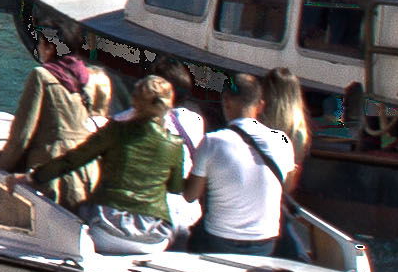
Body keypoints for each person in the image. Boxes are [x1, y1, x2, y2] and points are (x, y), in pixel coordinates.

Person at [20, 69, 190, 255]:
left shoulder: (115, 130)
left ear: (134, 101)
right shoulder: (175, 145)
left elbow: (72, 160)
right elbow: (174, 188)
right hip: (154, 237)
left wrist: (33, 177)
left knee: (70, 211)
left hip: (106, 228)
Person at [187, 72, 305, 257]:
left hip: (218, 241)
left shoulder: (212, 141)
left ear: (226, 101)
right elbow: (286, 188)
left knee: (189, 236)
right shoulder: (282, 141)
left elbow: (190, 195)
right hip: (265, 243)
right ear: (260, 105)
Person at [1, 21, 111, 208]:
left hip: (52, 167)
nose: (39, 48)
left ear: (50, 47)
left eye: (40, 43)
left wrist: (2, 164)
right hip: (87, 167)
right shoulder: (94, 78)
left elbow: (23, 132)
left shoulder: (42, 76)